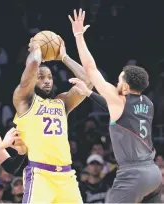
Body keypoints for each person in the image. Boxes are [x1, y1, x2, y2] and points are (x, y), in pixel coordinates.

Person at [67, 9, 162, 203]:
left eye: (119, 80)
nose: (116, 83)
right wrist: (88, 93)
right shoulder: (148, 104)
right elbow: (118, 113)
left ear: (126, 86)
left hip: (133, 176)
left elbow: (90, 68)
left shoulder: (120, 100)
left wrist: (78, 36)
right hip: (153, 174)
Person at [12, 35, 101, 203]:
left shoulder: (62, 102)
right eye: (41, 77)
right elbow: (32, 64)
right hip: (40, 175)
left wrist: (64, 57)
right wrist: (37, 49)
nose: (47, 81)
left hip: (66, 176)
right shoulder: (24, 100)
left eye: (50, 77)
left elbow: (88, 82)